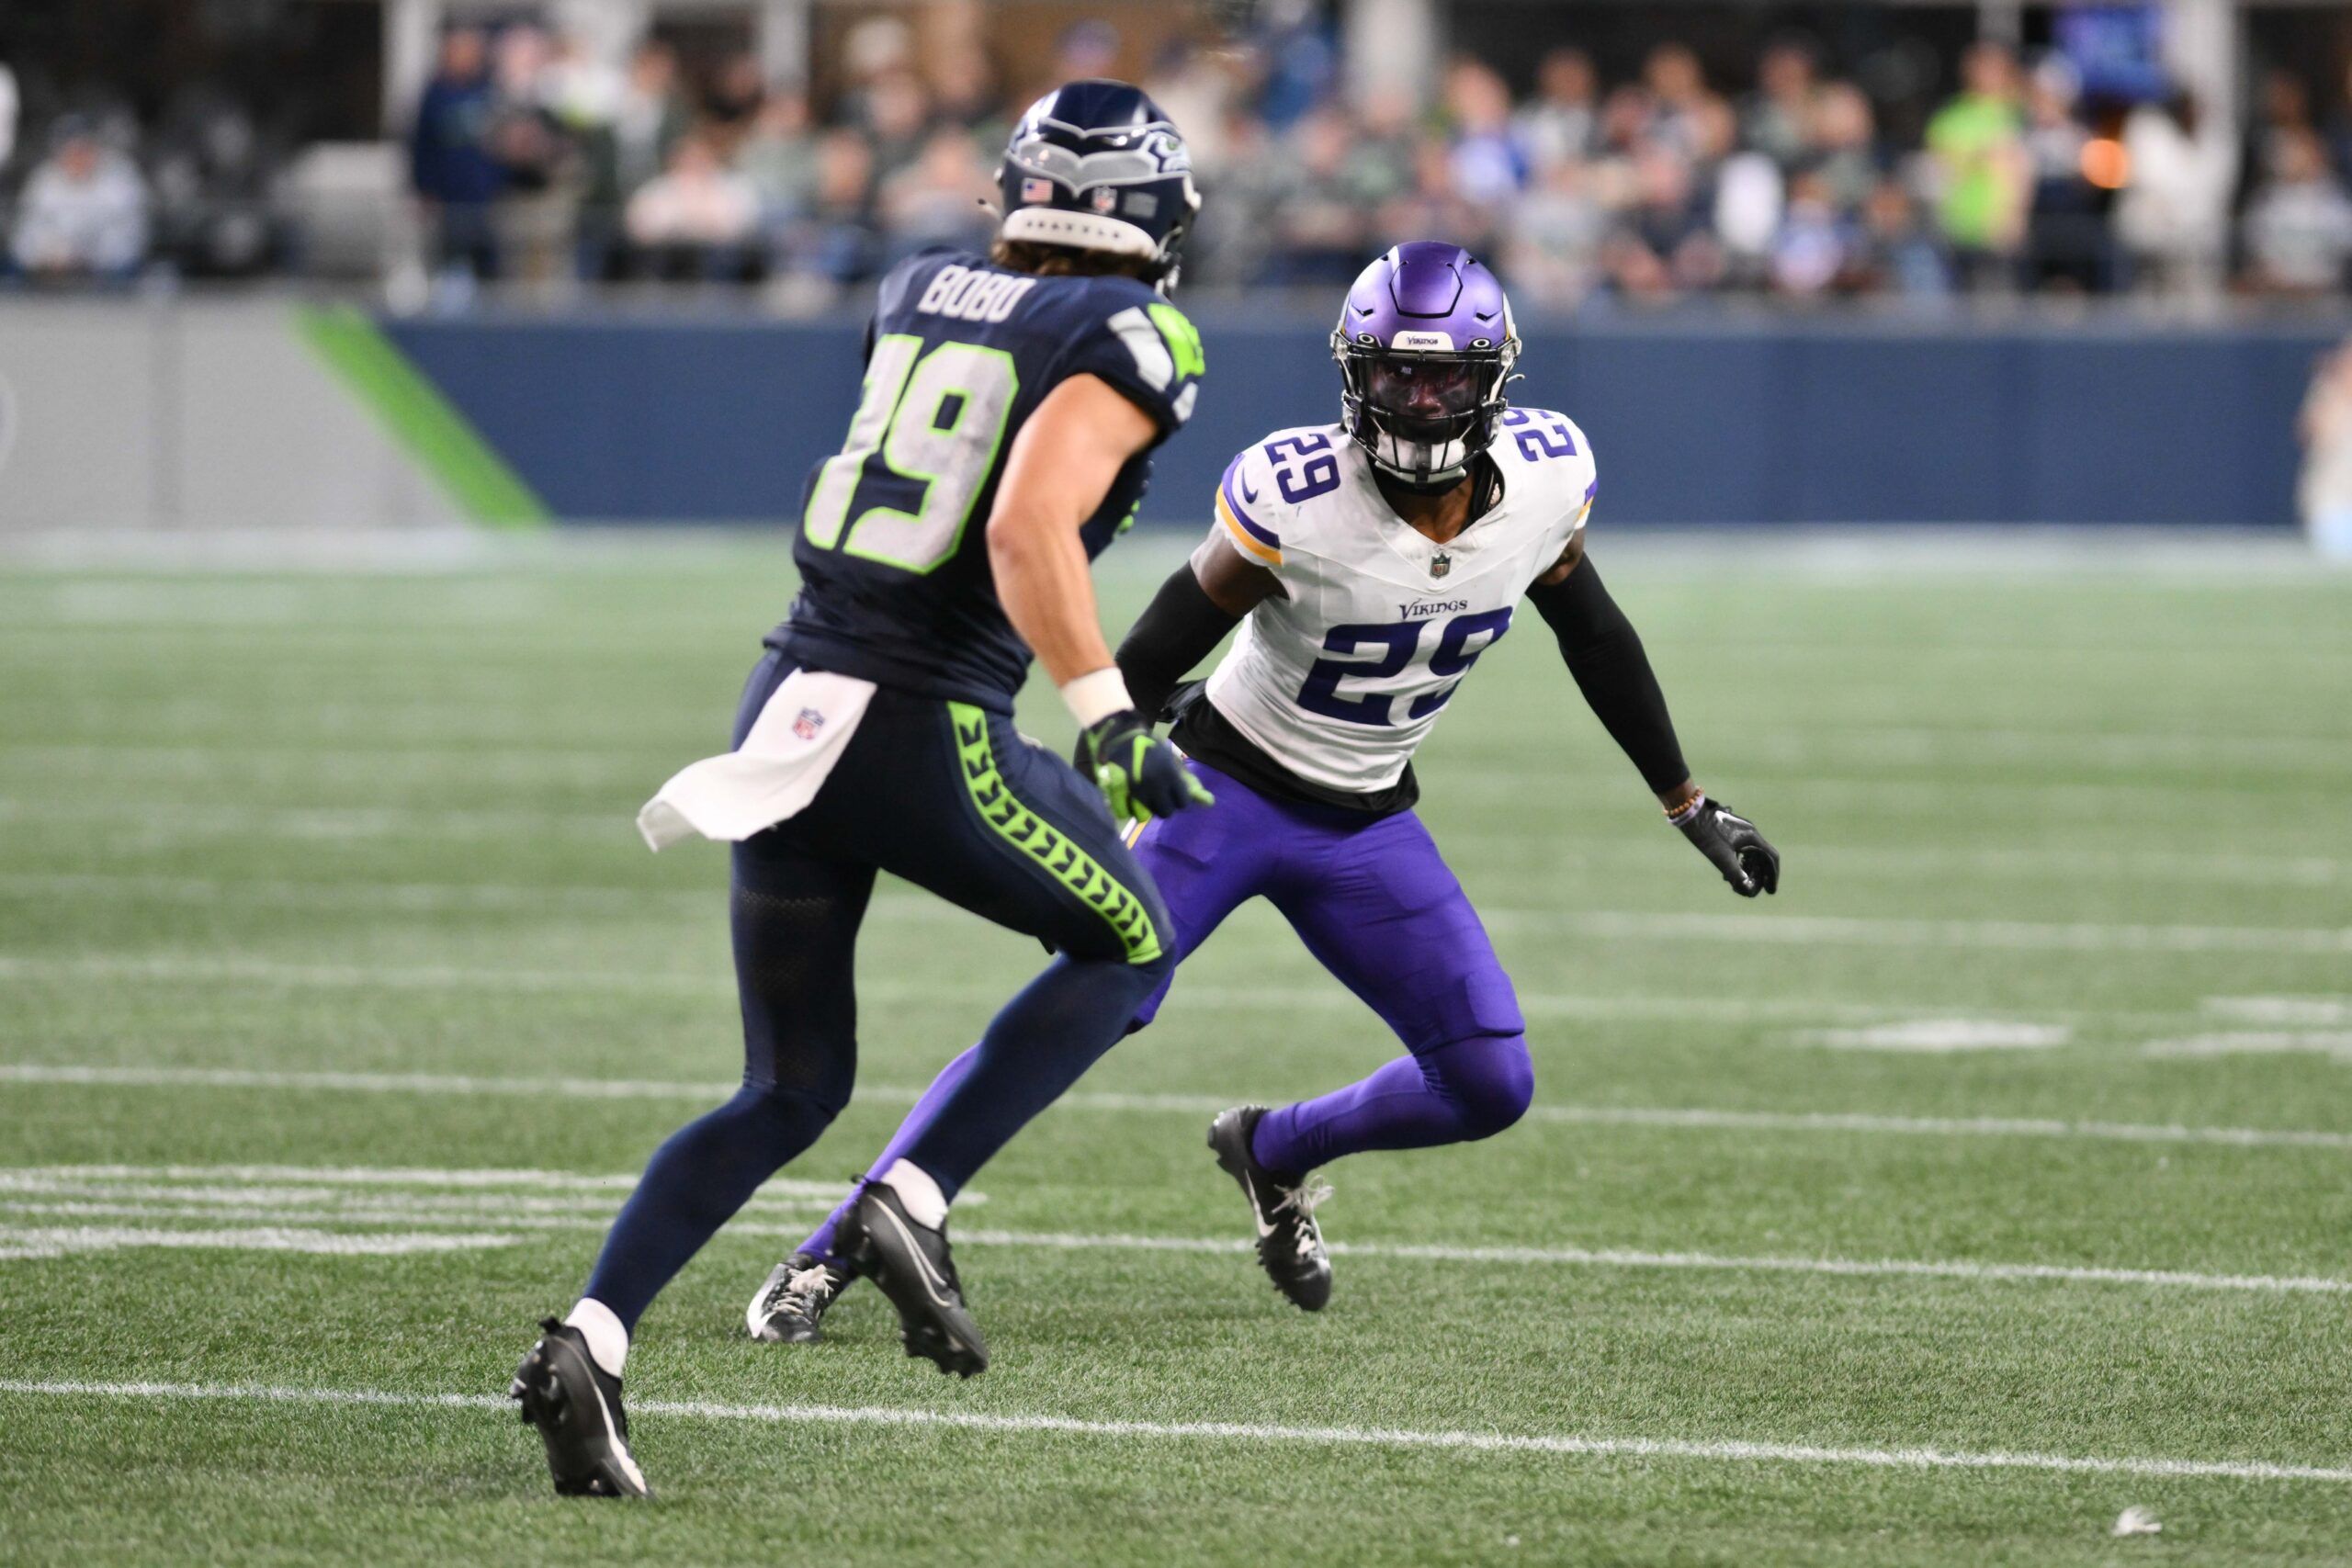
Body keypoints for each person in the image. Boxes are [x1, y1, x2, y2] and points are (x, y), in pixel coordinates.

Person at [748, 242, 1779, 1348]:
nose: (1419, 400)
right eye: (1394, 373)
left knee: (1489, 1081)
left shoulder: (1544, 481)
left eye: (1443, 376)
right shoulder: (1298, 497)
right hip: (1218, 795)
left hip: (1367, 820)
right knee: (1088, 1006)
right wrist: (1113, 755)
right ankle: (833, 1249)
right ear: (1353, 372)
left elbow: (1595, 634)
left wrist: (1686, 800)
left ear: (1494, 379)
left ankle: (1275, 1148)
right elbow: (1145, 658)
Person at [509, 81, 1211, 1497]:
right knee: (1132, 940)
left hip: (788, 703)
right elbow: (1023, 523)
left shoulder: (916, 284)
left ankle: (591, 1336)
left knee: (788, 1082)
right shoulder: (1135, 332)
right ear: (1152, 218)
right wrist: (1110, 712)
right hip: (917, 716)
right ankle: (911, 1192)